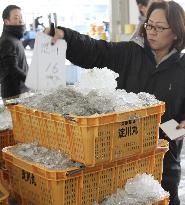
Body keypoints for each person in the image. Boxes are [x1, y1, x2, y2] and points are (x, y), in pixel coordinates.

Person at [46, 1, 185, 204]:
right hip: (122, 155)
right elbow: (95, 50)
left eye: (160, 27)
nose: (152, 32)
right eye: (149, 25)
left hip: (164, 159)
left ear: (176, 32)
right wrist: (65, 36)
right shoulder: (129, 53)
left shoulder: (182, 68)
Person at [0, 5, 29, 100]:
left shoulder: (14, 38)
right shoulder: (6, 41)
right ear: (6, 21)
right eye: (16, 18)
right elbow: (12, 68)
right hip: (14, 94)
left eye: (21, 17)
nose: (20, 20)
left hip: (21, 90)